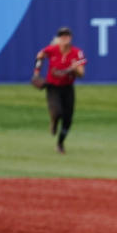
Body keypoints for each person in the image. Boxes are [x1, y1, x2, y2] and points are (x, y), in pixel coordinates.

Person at [33, 26, 86, 154]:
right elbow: (40, 56)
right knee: (57, 112)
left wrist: (75, 69)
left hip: (68, 88)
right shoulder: (52, 49)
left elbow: (81, 74)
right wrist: (36, 73)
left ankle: (60, 143)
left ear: (71, 38)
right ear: (58, 38)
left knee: (68, 119)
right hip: (53, 87)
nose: (64, 38)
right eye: (62, 36)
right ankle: (53, 122)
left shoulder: (77, 52)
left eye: (67, 36)